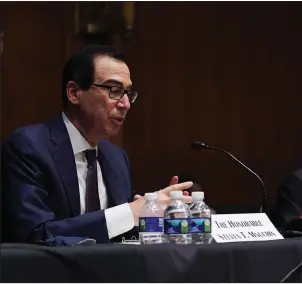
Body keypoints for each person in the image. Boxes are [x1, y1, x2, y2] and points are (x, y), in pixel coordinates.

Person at [1, 45, 192, 244]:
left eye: (128, 93)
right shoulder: (29, 147)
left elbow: (119, 232)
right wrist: (127, 213)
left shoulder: (116, 157)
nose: (125, 104)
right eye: (114, 90)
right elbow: (36, 233)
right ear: (74, 93)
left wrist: (152, 216)